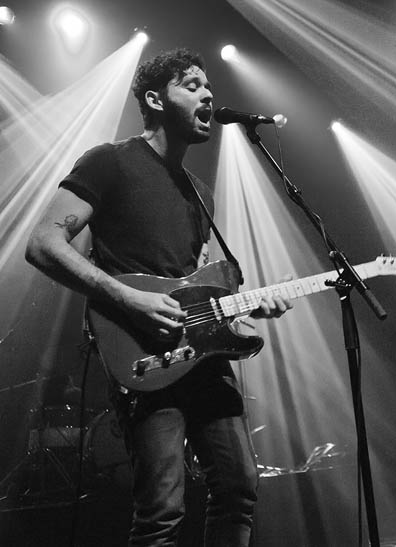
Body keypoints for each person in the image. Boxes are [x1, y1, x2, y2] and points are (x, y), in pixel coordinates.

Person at [25, 48, 292, 546]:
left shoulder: (200, 194)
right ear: (154, 98)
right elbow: (42, 243)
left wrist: (242, 305)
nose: (209, 93)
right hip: (142, 354)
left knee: (238, 487)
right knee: (162, 508)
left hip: (200, 353)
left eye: (209, 85)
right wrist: (129, 298)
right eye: (192, 85)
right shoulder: (110, 162)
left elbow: (193, 284)